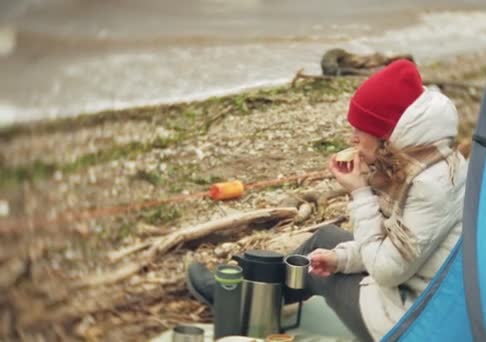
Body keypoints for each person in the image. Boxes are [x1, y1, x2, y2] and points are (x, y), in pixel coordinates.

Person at [187, 59, 467, 341]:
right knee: (325, 241)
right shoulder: (425, 160)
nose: (353, 138)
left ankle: (233, 298)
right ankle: (243, 292)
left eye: (361, 129)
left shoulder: (428, 186)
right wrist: (341, 259)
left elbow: (386, 270)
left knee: (308, 268)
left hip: (406, 323)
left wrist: (359, 193)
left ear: (386, 134)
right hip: (417, 296)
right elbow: (393, 246)